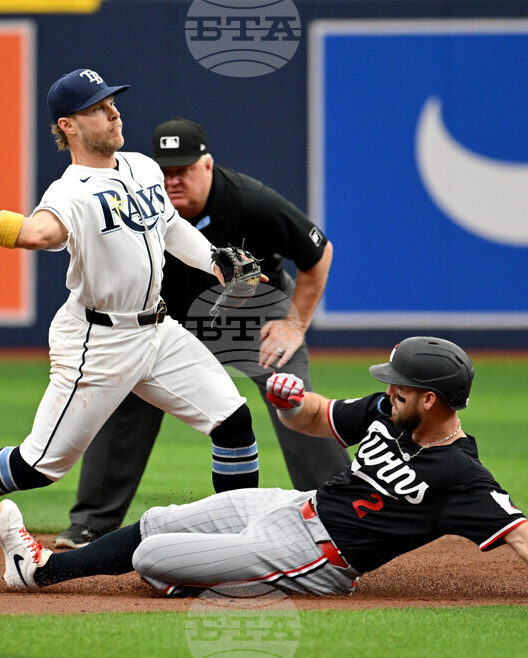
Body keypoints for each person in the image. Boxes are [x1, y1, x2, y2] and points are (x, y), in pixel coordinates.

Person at [0, 69, 267, 566]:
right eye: (98, 108)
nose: (113, 112)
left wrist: (214, 259)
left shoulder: (140, 166)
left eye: (113, 102)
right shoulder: (70, 191)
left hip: (158, 330)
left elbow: (171, 225)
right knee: (39, 465)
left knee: (233, 422)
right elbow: (34, 234)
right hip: (99, 340)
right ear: (68, 125)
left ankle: (235, 546)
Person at [0, 336, 528, 604]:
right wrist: (289, 398)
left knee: (155, 556)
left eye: (402, 388)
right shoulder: (389, 412)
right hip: (292, 507)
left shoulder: (460, 476)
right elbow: (321, 417)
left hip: (321, 560)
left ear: (431, 399)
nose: (389, 392)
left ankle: (228, 580)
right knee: (157, 520)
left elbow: (518, 528)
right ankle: (38, 571)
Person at [55, 118, 350, 549]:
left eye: (185, 169)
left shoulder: (250, 201)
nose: (174, 180)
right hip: (168, 317)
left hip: (252, 316)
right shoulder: (133, 202)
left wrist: (293, 324)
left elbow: (319, 253)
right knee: (125, 396)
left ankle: (343, 515)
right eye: (167, 170)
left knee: (290, 394)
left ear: (208, 166)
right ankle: (92, 524)